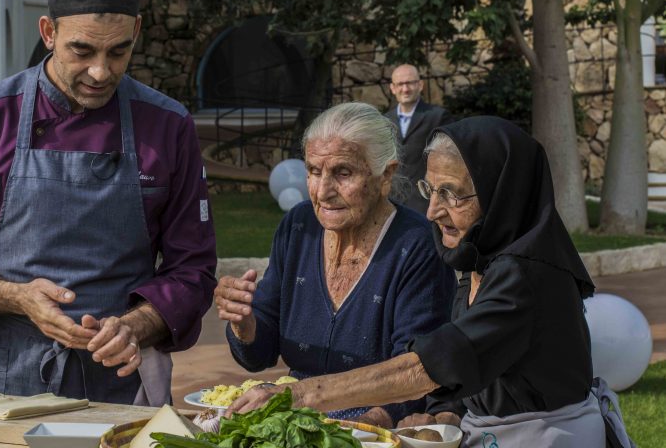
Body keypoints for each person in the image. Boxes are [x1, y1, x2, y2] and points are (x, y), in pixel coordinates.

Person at [0, 0, 216, 406]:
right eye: (82, 50)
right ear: (49, 32)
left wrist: (137, 324)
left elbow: (194, 269)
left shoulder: (167, 126)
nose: (100, 71)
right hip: (4, 382)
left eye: (118, 51)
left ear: (136, 31)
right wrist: (17, 298)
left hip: (123, 379)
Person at [228, 117, 606, 447]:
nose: (432, 210)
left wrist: (300, 395)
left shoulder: (527, 276)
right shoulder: (480, 260)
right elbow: (472, 370)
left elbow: (429, 366)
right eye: (430, 190)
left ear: (501, 193)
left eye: (451, 194)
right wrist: (444, 415)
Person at [214, 102, 458, 428]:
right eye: (314, 171)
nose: (324, 191)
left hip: (372, 422)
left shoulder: (416, 245)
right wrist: (244, 323)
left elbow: (415, 373)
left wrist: (359, 428)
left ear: (385, 175)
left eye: (343, 173)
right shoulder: (298, 226)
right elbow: (259, 355)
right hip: (293, 417)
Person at [385, 64, 454, 214]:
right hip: (392, 202)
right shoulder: (385, 120)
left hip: (426, 201)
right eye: (400, 84)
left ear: (420, 85)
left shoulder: (438, 117)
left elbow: (449, 160)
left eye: (410, 82)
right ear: (392, 88)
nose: (405, 89)